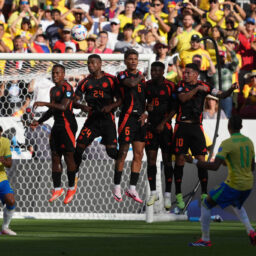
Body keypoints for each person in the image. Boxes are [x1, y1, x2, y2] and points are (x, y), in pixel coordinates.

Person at [173, 63, 238, 210]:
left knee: (201, 159)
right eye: (185, 73)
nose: (186, 75)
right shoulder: (181, 85)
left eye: (189, 73)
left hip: (196, 127)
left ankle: (203, 193)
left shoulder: (205, 86)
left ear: (196, 74)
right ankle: (178, 194)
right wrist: (196, 89)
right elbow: (183, 99)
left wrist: (231, 89)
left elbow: (221, 95)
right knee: (180, 159)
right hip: (182, 126)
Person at [185, 115, 256, 247]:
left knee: (206, 203)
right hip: (248, 185)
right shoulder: (249, 142)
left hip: (234, 184)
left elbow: (214, 167)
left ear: (228, 126)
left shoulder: (227, 144)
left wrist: (193, 161)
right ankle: (251, 232)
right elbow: (252, 166)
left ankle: (205, 240)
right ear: (241, 126)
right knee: (236, 204)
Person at [30, 64, 78, 204]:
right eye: (53, 73)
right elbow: (52, 110)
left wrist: (44, 103)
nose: (55, 75)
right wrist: (39, 121)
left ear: (63, 74)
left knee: (68, 156)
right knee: (55, 156)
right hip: (57, 125)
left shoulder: (67, 88)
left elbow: (63, 107)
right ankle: (57, 188)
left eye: (58, 73)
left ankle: (71, 187)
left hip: (68, 125)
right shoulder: (53, 90)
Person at [73, 54, 121, 182]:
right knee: (78, 148)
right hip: (92, 121)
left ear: (100, 64)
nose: (90, 65)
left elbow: (121, 100)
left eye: (93, 63)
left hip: (108, 121)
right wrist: (81, 106)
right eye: (88, 63)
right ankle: (74, 177)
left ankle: (119, 181)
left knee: (112, 153)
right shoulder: (85, 82)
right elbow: (73, 101)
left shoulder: (111, 80)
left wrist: (111, 106)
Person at [113, 49, 147, 203]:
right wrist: (142, 75)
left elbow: (145, 98)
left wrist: (146, 113)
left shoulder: (142, 79)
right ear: (125, 61)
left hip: (139, 119)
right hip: (126, 118)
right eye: (130, 59)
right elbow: (132, 83)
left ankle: (132, 188)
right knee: (123, 152)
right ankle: (117, 186)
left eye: (135, 58)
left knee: (139, 154)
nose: (133, 61)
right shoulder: (121, 75)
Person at [145, 61, 176, 209]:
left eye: (157, 71)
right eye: (153, 70)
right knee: (151, 160)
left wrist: (164, 122)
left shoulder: (170, 86)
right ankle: (153, 192)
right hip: (151, 127)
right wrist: (147, 107)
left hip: (165, 128)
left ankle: (168, 195)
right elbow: (143, 103)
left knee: (167, 159)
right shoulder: (147, 85)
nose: (154, 73)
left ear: (163, 72)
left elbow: (174, 108)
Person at [0, 126, 16, 235]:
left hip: (1, 177)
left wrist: (2, 160)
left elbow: (9, 164)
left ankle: (5, 228)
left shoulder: (5, 142)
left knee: (11, 201)